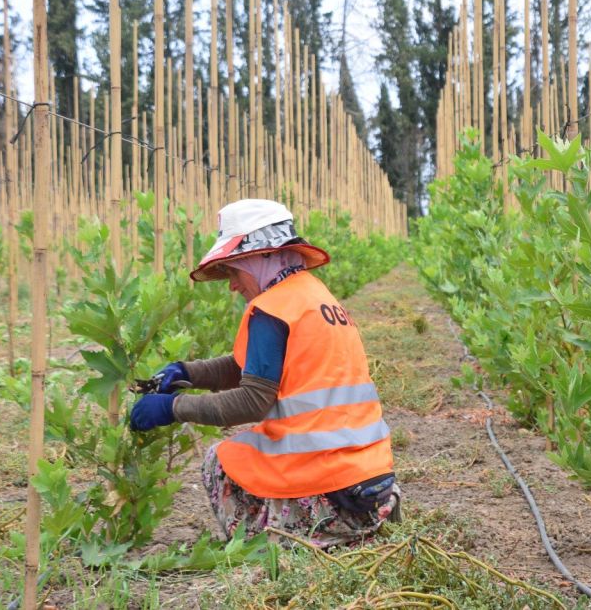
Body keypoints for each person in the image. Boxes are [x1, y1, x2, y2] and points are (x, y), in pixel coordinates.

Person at [129, 199, 400, 548]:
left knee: (221, 460)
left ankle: (274, 543)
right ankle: (348, 528)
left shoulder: (271, 310)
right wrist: (187, 372)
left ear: (261, 258)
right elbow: (250, 367)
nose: (232, 285)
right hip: (372, 481)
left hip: (329, 487)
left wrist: (172, 408)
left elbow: (253, 400)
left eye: (233, 271)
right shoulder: (314, 296)